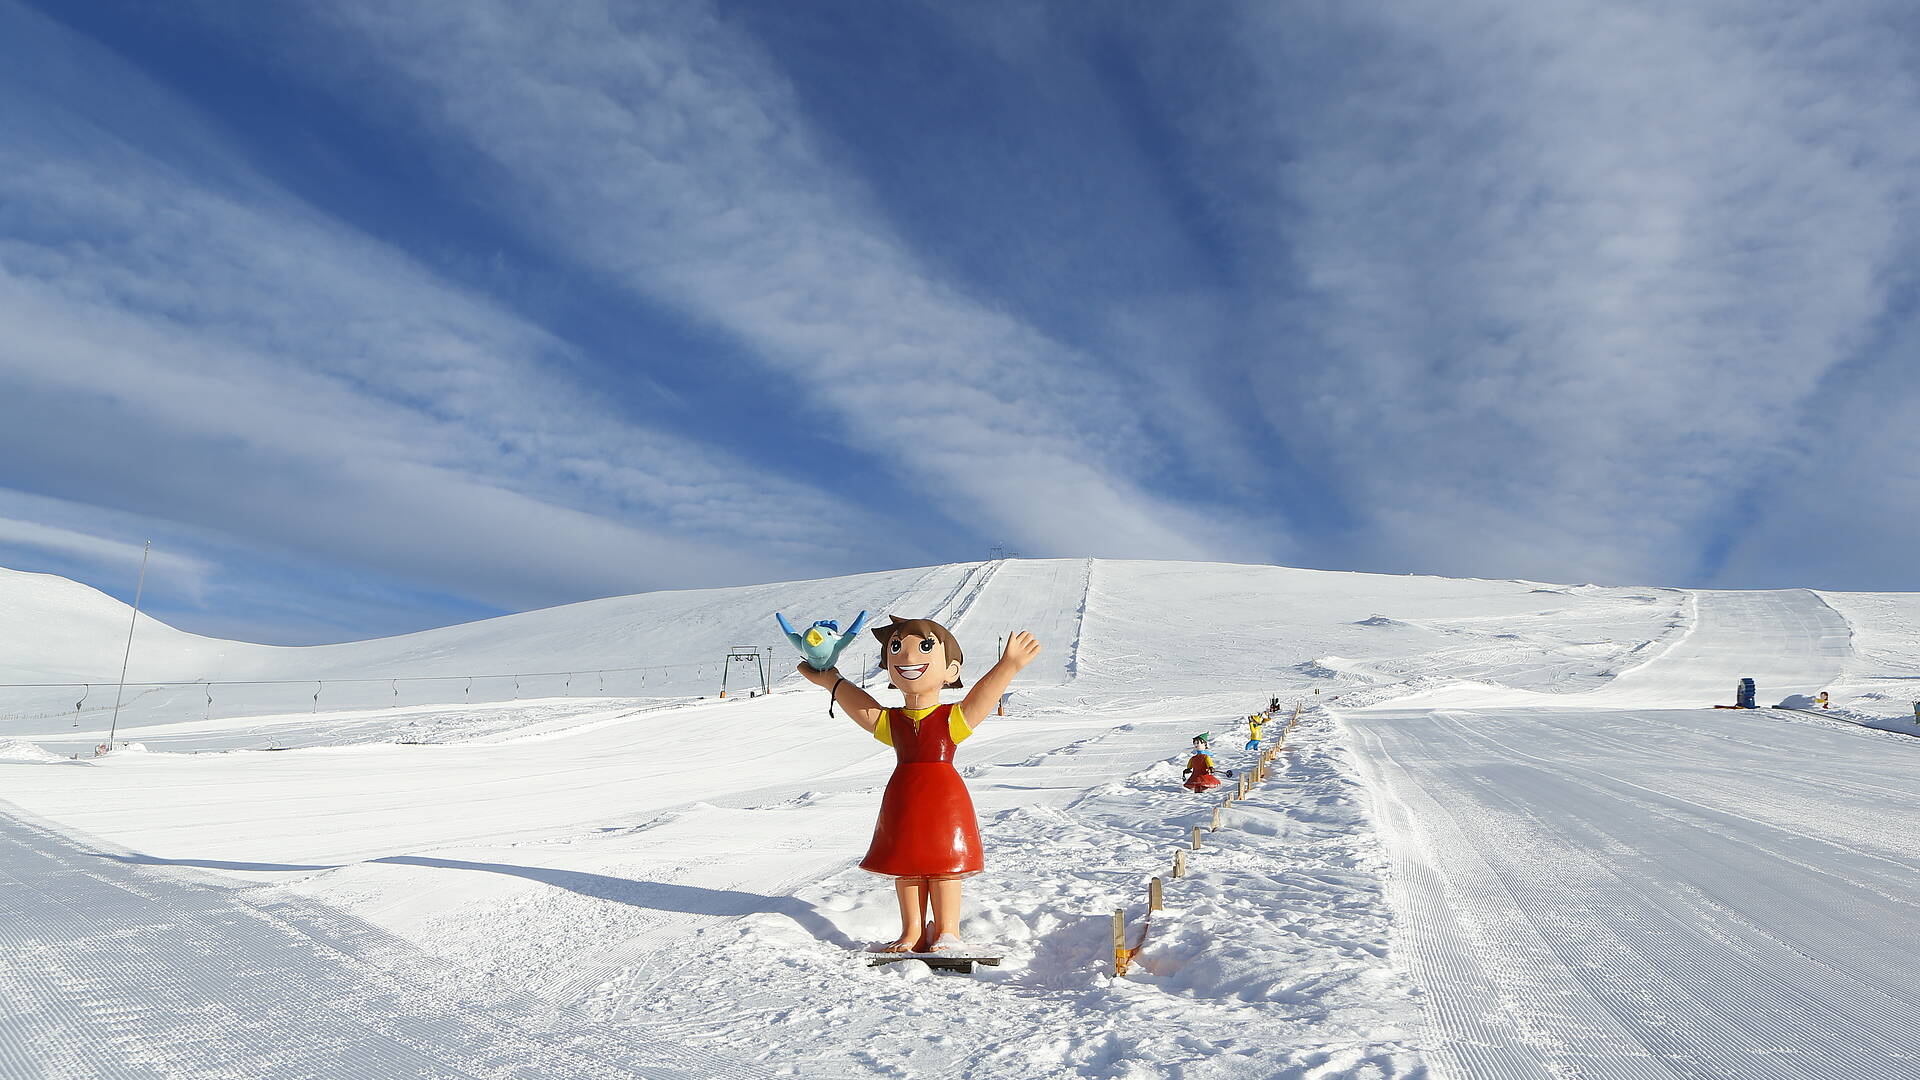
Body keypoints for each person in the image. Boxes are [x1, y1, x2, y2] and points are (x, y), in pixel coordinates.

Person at [798, 616, 1041, 954]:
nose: (907, 658)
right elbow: (862, 707)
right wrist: (832, 681)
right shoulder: (892, 722)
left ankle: (947, 932)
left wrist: (1008, 666)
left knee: (944, 867)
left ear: (951, 671)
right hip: (904, 797)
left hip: (945, 801)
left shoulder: (951, 719)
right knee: (906, 863)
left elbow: (979, 701)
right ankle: (911, 930)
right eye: (896, 648)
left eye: (925, 648)